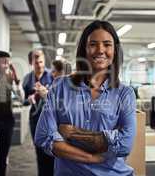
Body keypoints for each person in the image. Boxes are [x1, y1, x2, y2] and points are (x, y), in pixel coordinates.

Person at [34, 20, 137, 176]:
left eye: (107, 44)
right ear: (84, 49)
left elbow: (125, 144)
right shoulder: (60, 87)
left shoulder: (125, 93)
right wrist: (93, 156)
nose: (100, 50)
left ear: (115, 50)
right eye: (93, 44)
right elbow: (43, 137)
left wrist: (73, 133)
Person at [22, 49, 54, 176]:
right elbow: (23, 101)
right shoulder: (27, 79)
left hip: (52, 120)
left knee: (53, 151)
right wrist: (28, 99)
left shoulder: (52, 75)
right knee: (40, 151)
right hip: (35, 120)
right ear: (31, 62)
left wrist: (47, 93)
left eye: (41, 62)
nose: (40, 65)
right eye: (36, 63)